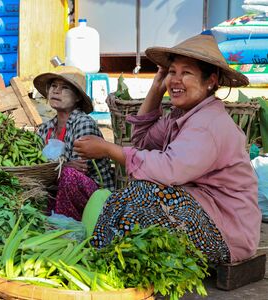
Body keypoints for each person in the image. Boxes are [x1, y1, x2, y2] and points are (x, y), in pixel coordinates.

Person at [73, 32, 261, 264]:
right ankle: (99, 259)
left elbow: (168, 170)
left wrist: (108, 150)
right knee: (126, 197)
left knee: (142, 192)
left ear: (210, 81)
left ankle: (103, 262)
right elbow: (141, 141)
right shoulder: (182, 115)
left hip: (227, 233)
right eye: (173, 72)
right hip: (202, 211)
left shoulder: (209, 124)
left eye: (187, 73)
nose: (175, 80)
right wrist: (156, 89)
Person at [33, 66, 114, 221]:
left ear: (77, 97)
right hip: (57, 188)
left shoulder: (83, 123)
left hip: (96, 194)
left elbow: (79, 169)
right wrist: (62, 166)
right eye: (53, 86)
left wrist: (54, 168)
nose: (56, 91)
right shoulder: (45, 128)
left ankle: (65, 228)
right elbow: (36, 166)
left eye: (64, 88)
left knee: (69, 175)